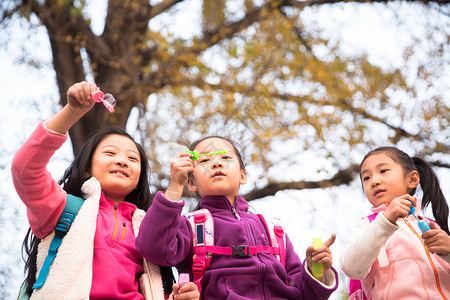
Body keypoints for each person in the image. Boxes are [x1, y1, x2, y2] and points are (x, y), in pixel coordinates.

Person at [12, 81, 199, 299]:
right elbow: (25, 169)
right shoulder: (62, 209)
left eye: (132, 158)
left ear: (139, 179)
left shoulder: (147, 230)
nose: (122, 161)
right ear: (86, 170)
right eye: (110, 153)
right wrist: (73, 111)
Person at [136, 136, 339, 299]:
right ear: (191, 184)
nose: (216, 163)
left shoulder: (273, 228)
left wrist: (315, 270)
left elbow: (305, 292)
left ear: (242, 175)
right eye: (205, 160)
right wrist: (174, 187)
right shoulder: (190, 226)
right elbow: (153, 247)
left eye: (225, 158)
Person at [340, 146, 450, 299]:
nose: (374, 181)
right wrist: (385, 221)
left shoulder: (434, 227)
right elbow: (351, 267)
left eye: (383, 171)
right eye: (366, 178)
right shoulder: (368, 226)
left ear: (412, 179)